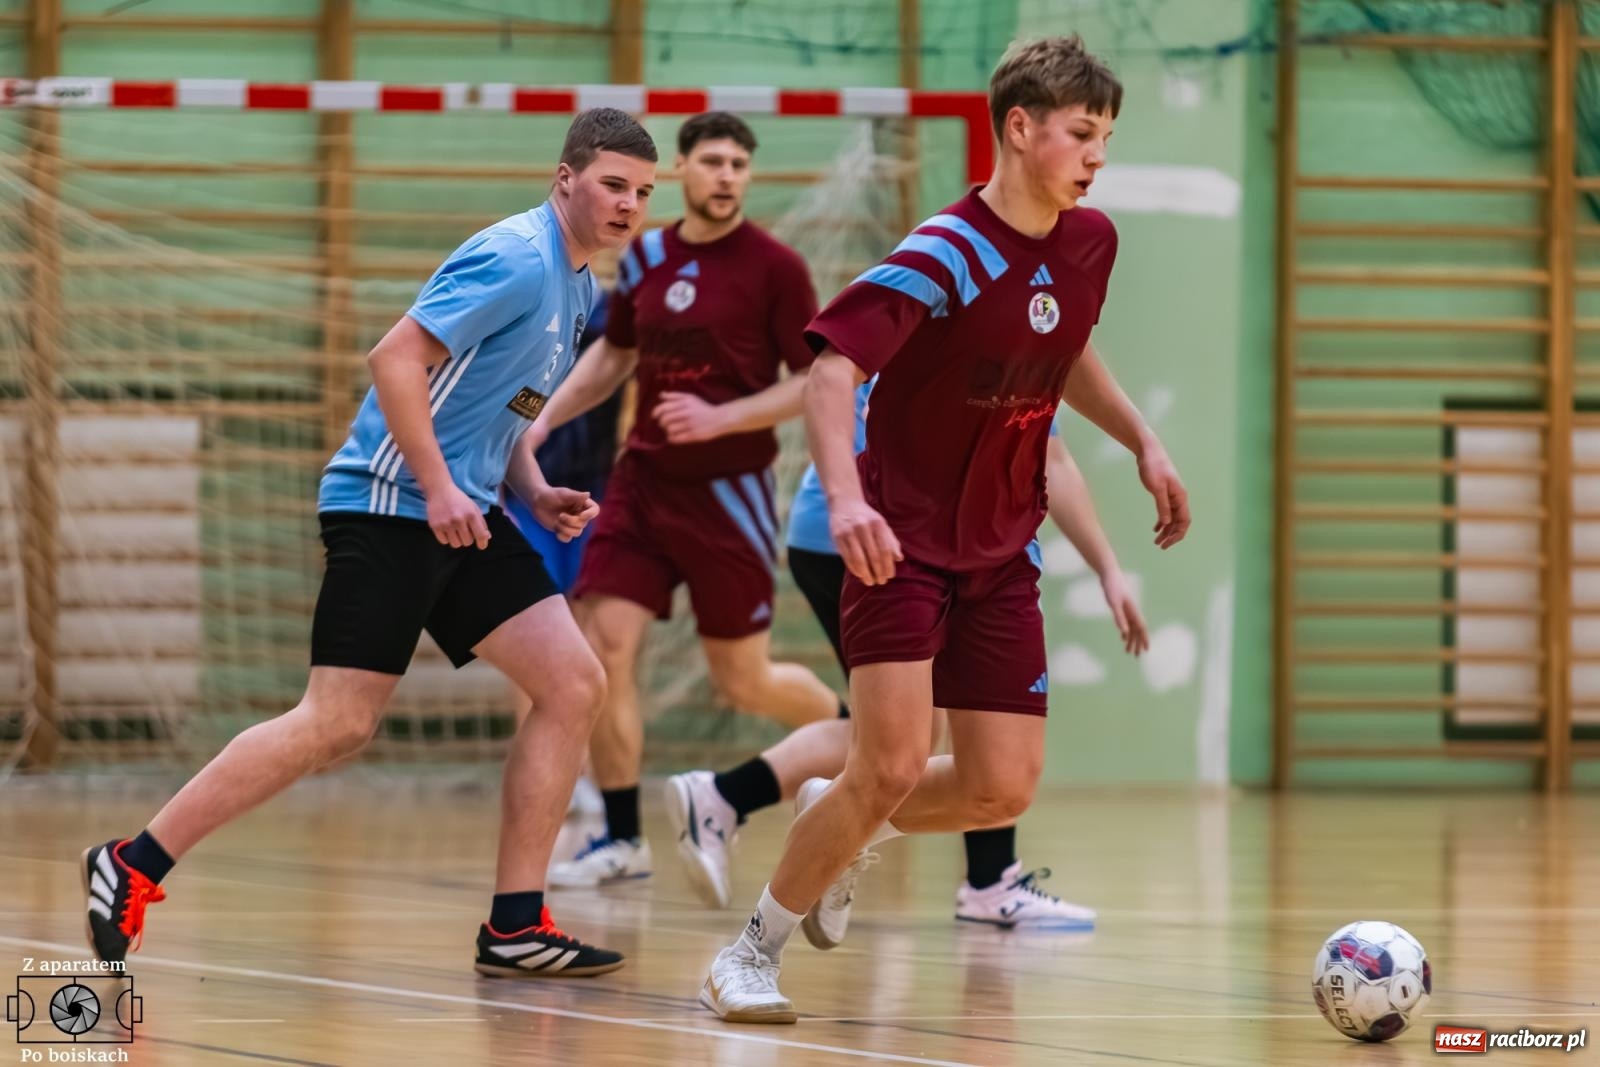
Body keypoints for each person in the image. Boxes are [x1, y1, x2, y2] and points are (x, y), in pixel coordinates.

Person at [79, 108, 658, 980]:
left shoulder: (579, 286)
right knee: (339, 721)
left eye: (644, 193)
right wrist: (435, 486)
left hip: (463, 511)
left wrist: (532, 489)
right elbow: (393, 358)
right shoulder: (513, 256)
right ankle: (133, 862)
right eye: (614, 184)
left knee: (574, 683)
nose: (628, 205)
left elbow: (504, 416)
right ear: (566, 179)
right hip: (391, 504)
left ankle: (515, 923)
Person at [699, 36, 1191, 1024]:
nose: (1097, 155)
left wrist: (1142, 439)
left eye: (1106, 136)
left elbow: (1068, 352)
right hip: (904, 543)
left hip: (1001, 550)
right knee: (883, 763)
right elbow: (832, 372)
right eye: (1081, 133)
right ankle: (748, 953)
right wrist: (845, 501)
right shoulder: (942, 254)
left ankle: (833, 820)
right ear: (1019, 128)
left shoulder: (1089, 242)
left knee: (996, 788)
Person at [668, 389, 1147, 934]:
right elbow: (828, 381)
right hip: (874, 535)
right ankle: (756, 830)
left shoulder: (1035, 328)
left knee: (914, 740)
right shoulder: (934, 314)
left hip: (903, 534)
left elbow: (1049, 456)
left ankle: (741, 800)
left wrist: (1109, 560)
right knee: (899, 745)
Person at [528, 112, 843, 889]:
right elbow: (615, 356)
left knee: (744, 678)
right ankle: (623, 836)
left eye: (740, 162)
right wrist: (537, 421)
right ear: (684, 172)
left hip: (728, 492)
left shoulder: (775, 268)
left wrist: (720, 417)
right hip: (642, 487)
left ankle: (848, 740)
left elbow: (816, 382)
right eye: (713, 161)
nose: (728, 174)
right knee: (601, 649)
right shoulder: (647, 257)